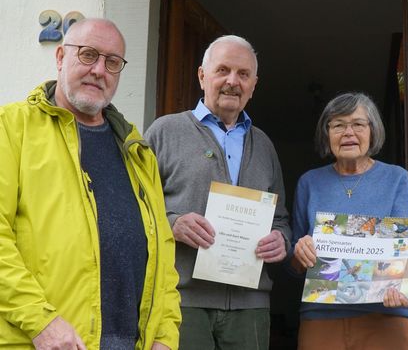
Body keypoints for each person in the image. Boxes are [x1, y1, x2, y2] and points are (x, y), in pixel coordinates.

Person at [0, 18, 181, 349]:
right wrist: (42, 323)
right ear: (59, 57)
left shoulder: (138, 154)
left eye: (112, 62)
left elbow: (164, 262)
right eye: (87, 55)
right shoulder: (12, 129)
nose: (100, 70)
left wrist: (166, 339)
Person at [144, 35, 291, 350]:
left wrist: (281, 239)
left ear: (254, 84)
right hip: (181, 301)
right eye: (223, 70)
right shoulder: (164, 132)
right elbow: (135, 207)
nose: (232, 81)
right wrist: (172, 222)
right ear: (201, 76)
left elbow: (280, 218)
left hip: (250, 307)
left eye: (243, 74)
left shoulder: (264, 145)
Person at [290, 92, 408, 350]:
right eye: (338, 125)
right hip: (321, 317)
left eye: (358, 124)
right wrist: (299, 252)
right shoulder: (309, 182)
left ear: (373, 131)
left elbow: (406, 250)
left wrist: (404, 286)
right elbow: (293, 267)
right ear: (327, 134)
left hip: (386, 316)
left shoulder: (396, 179)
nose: (348, 132)